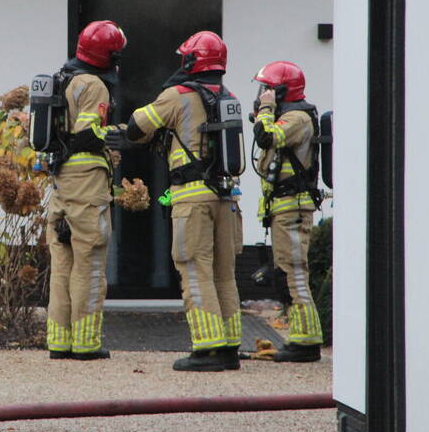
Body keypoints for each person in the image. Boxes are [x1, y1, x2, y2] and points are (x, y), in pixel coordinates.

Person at [111, 31, 243, 372]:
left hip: (191, 198)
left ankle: (206, 348)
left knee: (194, 268)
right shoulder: (228, 97)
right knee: (224, 273)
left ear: (190, 61)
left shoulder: (178, 95)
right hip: (227, 197)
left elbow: (138, 127)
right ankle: (229, 347)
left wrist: (168, 86)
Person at [43, 20, 127, 361]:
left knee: (62, 263)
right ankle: (86, 343)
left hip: (62, 180)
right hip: (88, 180)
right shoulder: (94, 85)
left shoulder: (64, 78)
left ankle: (59, 342)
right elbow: (90, 132)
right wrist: (122, 132)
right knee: (90, 262)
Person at [251, 60, 323, 362]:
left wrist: (265, 113)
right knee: (287, 274)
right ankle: (299, 337)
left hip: (292, 207)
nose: (262, 94)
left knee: (295, 274)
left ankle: (306, 343)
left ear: (282, 91)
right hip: (284, 208)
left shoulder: (297, 119)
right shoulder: (290, 117)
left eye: (267, 89)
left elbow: (267, 138)